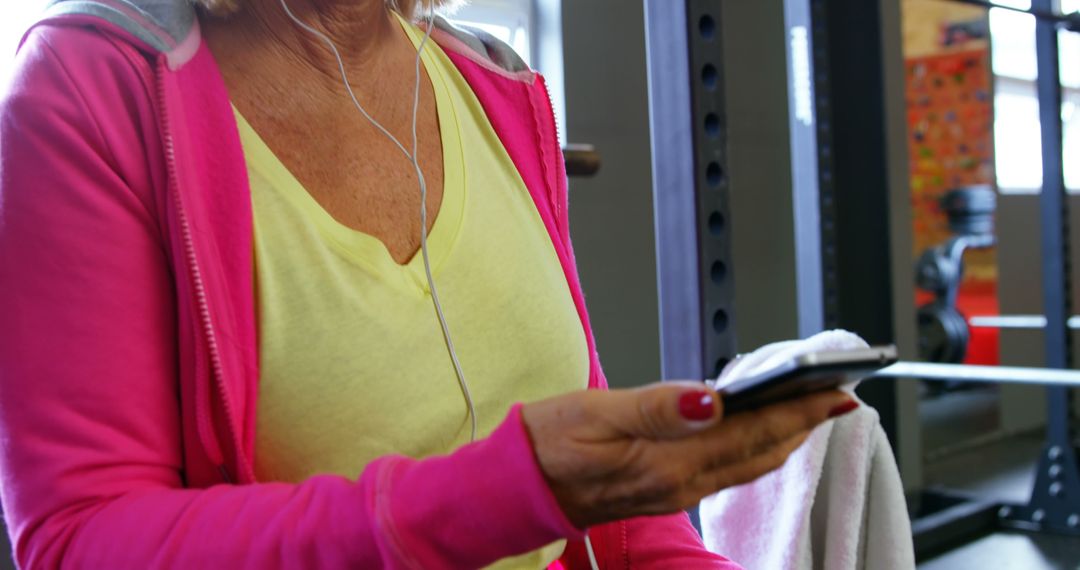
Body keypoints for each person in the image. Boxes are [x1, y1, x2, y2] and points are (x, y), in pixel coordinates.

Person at [0, 0, 859, 567]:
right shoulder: (92, 88)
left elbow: (611, 502)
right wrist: (508, 491)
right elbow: (82, 540)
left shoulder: (492, 84)